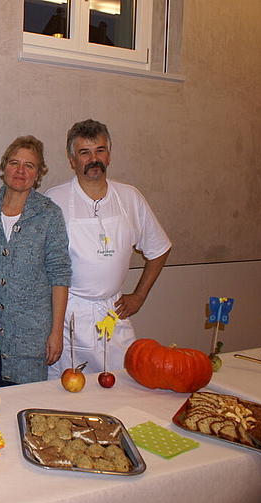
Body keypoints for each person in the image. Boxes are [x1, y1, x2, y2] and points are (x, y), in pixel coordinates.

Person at [45, 119, 171, 377]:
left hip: (113, 314)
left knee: (122, 386)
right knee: (64, 394)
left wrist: (139, 296)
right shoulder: (53, 200)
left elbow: (159, 248)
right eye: (84, 152)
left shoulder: (130, 198)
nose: (94, 158)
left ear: (109, 155)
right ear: (72, 160)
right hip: (67, 317)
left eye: (99, 150)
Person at [0, 136, 71, 386]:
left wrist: (56, 332)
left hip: (30, 337)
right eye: (14, 163)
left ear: (38, 174)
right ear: (4, 168)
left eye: (29, 165)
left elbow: (60, 274)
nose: (21, 170)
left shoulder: (49, 214)